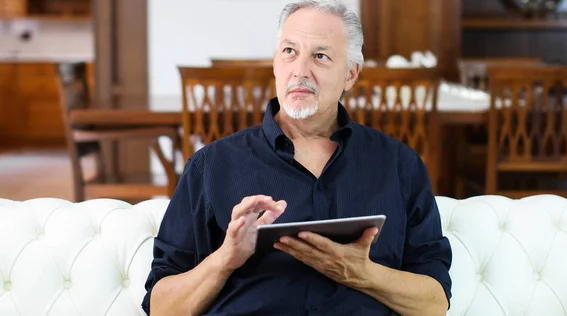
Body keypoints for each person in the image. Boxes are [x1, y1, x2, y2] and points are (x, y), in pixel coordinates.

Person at [142, 0, 452, 315]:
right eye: (290, 52)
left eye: (320, 56)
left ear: (350, 74)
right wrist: (225, 259)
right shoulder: (211, 165)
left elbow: (435, 303)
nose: (300, 71)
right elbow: (161, 307)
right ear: (276, 63)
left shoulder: (400, 165)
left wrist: (365, 275)